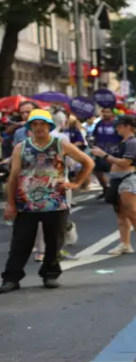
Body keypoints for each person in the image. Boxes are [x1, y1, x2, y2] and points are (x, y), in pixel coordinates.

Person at [0, 110, 94, 293]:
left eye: (43, 124)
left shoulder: (61, 144)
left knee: (54, 242)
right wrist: (10, 203)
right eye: (34, 124)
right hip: (26, 203)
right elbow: (14, 176)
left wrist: (76, 183)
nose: (39, 128)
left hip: (55, 202)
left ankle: (50, 275)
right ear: (30, 127)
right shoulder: (21, 147)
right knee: (20, 243)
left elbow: (88, 162)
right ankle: (11, 278)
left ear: (50, 126)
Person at [91, 115, 136, 255]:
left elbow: (125, 162)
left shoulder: (132, 142)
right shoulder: (122, 142)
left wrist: (103, 155)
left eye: (119, 126)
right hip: (115, 179)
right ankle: (125, 244)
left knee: (132, 212)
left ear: (127, 126)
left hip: (128, 178)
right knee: (120, 214)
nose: (116, 128)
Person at [91, 107, 121, 198]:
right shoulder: (99, 124)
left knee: (113, 172)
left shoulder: (116, 124)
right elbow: (94, 135)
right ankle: (105, 188)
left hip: (113, 151)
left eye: (107, 112)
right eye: (103, 111)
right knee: (97, 170)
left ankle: (115, 191)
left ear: (112, 113)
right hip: (100, 150)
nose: (105, 113)